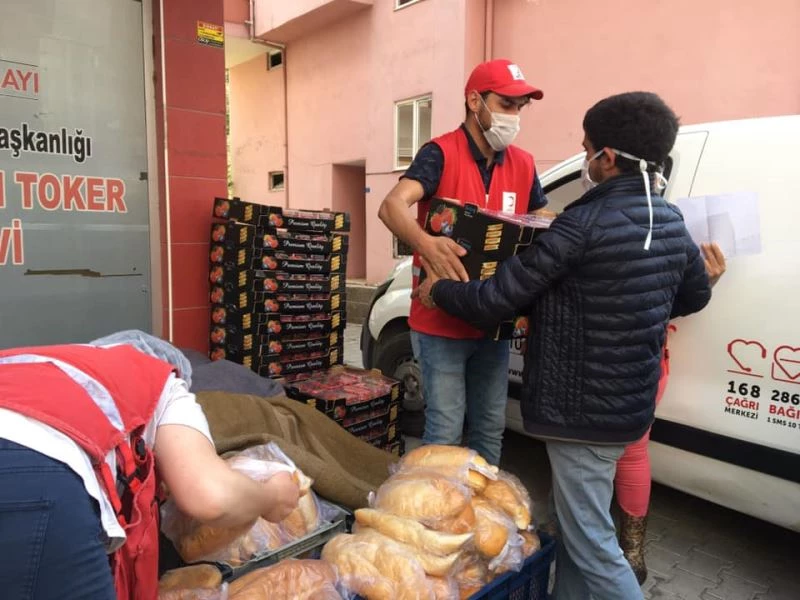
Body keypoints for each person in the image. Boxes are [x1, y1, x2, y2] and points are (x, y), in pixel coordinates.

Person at [414, 91, 713, 599]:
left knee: (593, 544)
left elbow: (496, 298)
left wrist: (438, 289)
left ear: (608, 157)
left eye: (587, 149)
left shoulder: (582, 225)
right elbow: (694, 295)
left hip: (580, 412)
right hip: (627, 406)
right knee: (573, 529)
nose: (585, 158)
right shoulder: (668, 221)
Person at [0, 332, 300, 600]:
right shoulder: (159, 378)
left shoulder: (40, 361)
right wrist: (271, 497)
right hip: (35, 478)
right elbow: (212, 496)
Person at [378, 58, 547, 466]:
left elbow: (539, 219)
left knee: (490, 426)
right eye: (505, 104)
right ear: (475, 102)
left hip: (493, 320)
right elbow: (391, 205)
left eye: (519, 107)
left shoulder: (523, 164)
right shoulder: (439, 154)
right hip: (440, 322)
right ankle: (437, 502)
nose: (514, 116)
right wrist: (426, 243)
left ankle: (482, 501)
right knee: (446, 430)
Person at [616, 242, 726, 583]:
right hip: (648, 360)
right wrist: (704, 282)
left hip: (617, 359)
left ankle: (583, 539)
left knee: (580, 451)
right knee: (632, 452)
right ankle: (632, 553)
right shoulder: (669, 230)